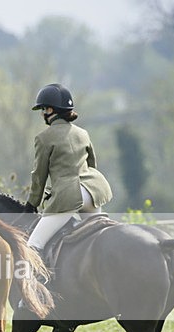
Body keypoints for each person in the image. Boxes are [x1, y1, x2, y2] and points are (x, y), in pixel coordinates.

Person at [26, 83, 113, 251]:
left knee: (33, 245)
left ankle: (31, 277)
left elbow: (39, 175)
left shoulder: (44, 138)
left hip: (69, 196)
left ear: (50, 110)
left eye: (43, 109)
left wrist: (32, 203)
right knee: (96, 239)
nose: (42, 114)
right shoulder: (83, 133)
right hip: (93, 192)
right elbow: (92, 165)